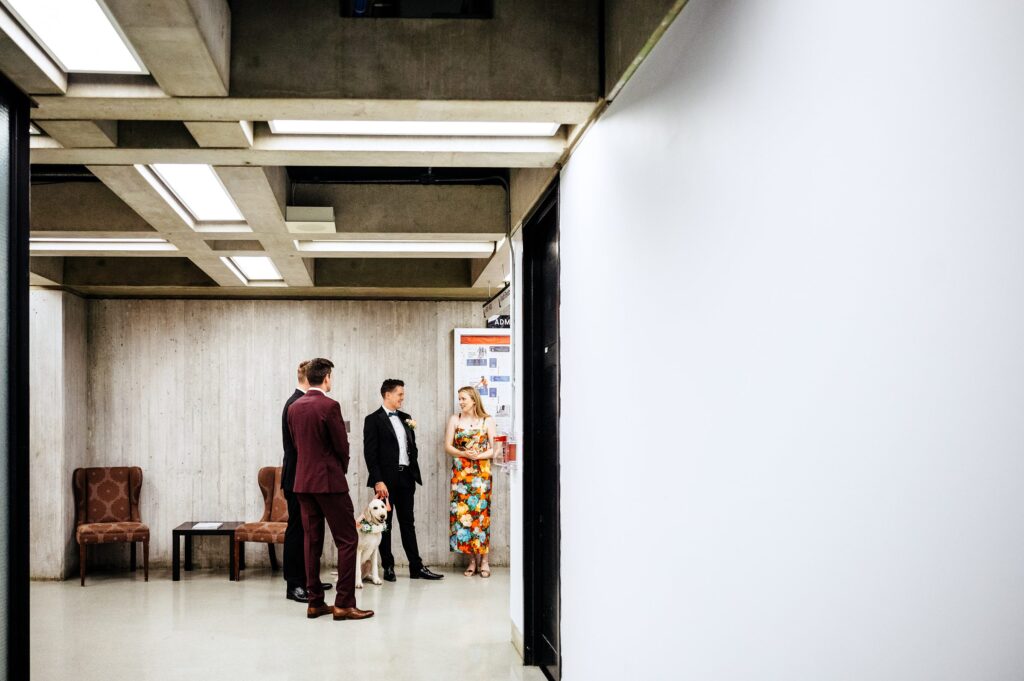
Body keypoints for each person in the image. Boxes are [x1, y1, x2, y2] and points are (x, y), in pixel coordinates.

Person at [287, 358, 373, 621]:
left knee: (311, 542)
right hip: (328, 482)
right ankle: (344, 603)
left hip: (303, 482)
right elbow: (341, 444)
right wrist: (341, 468)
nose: (331, 381)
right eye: (331, 377)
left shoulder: (294, 407)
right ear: (325, 378)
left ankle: (314, 602)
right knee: (347, 540)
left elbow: (296, 445)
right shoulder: (329, 405)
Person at [363, 378, 444, 581]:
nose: (402, 398)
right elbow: (370, 454)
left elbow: (412, 447)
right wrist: (378, 481)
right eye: (399, 394)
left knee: (408, 523)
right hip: (385, 482)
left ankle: (416, 567)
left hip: (406, 478)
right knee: (385, 524)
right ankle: (388, 566)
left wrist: (412, 468)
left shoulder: (406, 418)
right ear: (387, 394)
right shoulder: (372, 420)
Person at [280, 360, 333, 603]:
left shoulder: (301, 402)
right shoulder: (295, 404)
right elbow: (299, 448)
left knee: (310, 529)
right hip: (297, 476)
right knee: (297, 529)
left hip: (307, 476)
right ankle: (295, 584)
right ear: (307, 377)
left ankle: (308, 578)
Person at [444, 386, 496, 577]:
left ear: (474, 400)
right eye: (460, 399)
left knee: (481, 517)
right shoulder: (455, 419)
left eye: (464, 399)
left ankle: (485, 560)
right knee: (464, 518)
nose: (461, 402)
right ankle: (471, 561)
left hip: (481, 474)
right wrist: (464, 453)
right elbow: (448, 446)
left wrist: (478, 456)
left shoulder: (487, 420)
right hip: (461, 476)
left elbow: (494, 449)